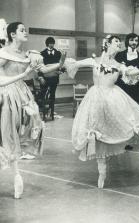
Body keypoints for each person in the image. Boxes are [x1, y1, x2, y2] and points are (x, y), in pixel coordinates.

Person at [65, 35, 139, 189]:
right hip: (96, 99)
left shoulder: (119, 64)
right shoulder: (94, 61)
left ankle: (105, 165)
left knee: (121, 125)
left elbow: (129, 72)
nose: (119, 45)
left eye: (120, 43)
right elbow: (74, 64)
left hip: (114, 98)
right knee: (96, 131)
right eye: (116, 42)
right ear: (106, 44)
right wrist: (62, 62)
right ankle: (102, 171)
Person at [0, 21, 65, 198]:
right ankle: (16, 176)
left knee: (21, 131)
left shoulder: (27, 54)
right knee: (7, 133)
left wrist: (59, 64)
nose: (25, 32)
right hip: (5, 95)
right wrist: (23, 74)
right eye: (22, 30)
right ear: (12, 34)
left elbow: (42, 69)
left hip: (21, 93)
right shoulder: (4, 54)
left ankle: (16, 175)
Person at [38, 37, 62, 121]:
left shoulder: (58, 53)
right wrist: (40, 77)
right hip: (44, 78)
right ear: (47, 44)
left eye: (53, 43)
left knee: (52, 96)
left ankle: (51, 113)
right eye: (50, 43)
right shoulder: (41, 53)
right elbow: (39, 66)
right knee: (43, 96)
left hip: (54, 78)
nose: (52, 44)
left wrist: (60, 71)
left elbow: (60, 65)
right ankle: (43, 113)